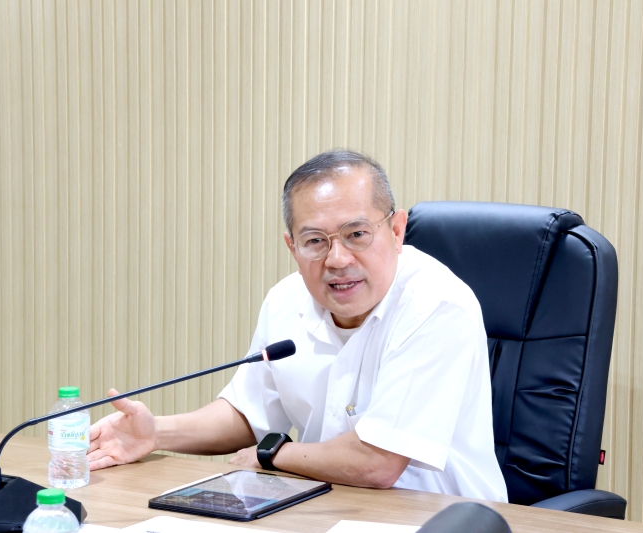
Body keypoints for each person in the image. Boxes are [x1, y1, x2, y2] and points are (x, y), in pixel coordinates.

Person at [87, 150, 508, 501]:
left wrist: (273, 455)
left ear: (397, 230)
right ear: (292, 246)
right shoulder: (286, 300)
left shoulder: (436, 304)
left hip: (445, 517)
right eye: (315, 241)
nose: (337, 259)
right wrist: (155, 432)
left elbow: (377, 463)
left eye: (357, 234)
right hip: (326, 508)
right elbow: (248, 415)